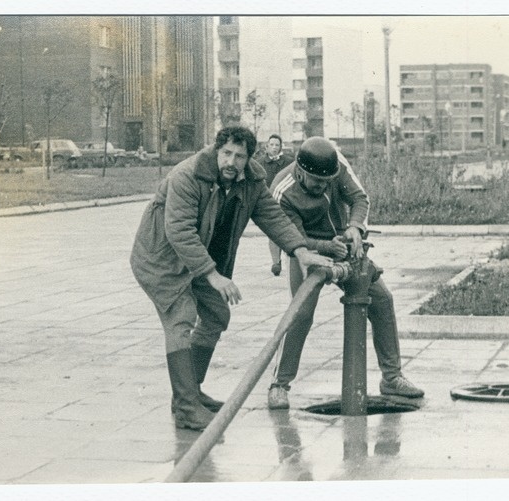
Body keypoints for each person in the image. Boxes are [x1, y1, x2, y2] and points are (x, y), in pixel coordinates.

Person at [130, 126, 333, 430]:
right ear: (216, 150)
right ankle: (186, 408)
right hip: (162, 257)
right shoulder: (186, 176)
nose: (231, 161)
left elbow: (272, 216)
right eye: (226, 153)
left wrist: (301, 251)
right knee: (180, 317)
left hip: (199, 257)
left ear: (249, 158)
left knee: (215, 314)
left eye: (239, 156)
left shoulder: (251, 179)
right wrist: (213, 276)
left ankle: (190, 393)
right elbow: (179, 232)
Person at [266, 137, 423, 409]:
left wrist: (354, 227)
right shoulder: (282, 190)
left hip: (345, 242)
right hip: (308, 250)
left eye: (328, 181)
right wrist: (326, 247)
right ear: (300, 172)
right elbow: (291, 239)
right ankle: (279, 384)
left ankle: (392, 376)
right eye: (316, 181)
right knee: (301, 314)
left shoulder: (335, 166)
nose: (324, 186)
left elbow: (360, 198)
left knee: (382, 300)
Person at [255, 134, 293, 276]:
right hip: (269, 203)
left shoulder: (289, 162)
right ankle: (276, 262)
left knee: (290, 231)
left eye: (277, 145)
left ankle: (291, 259)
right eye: (272, 145)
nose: (274, 148)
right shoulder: (259, 163)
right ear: (267, 146)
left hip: (287, 202)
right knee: (274, 233)